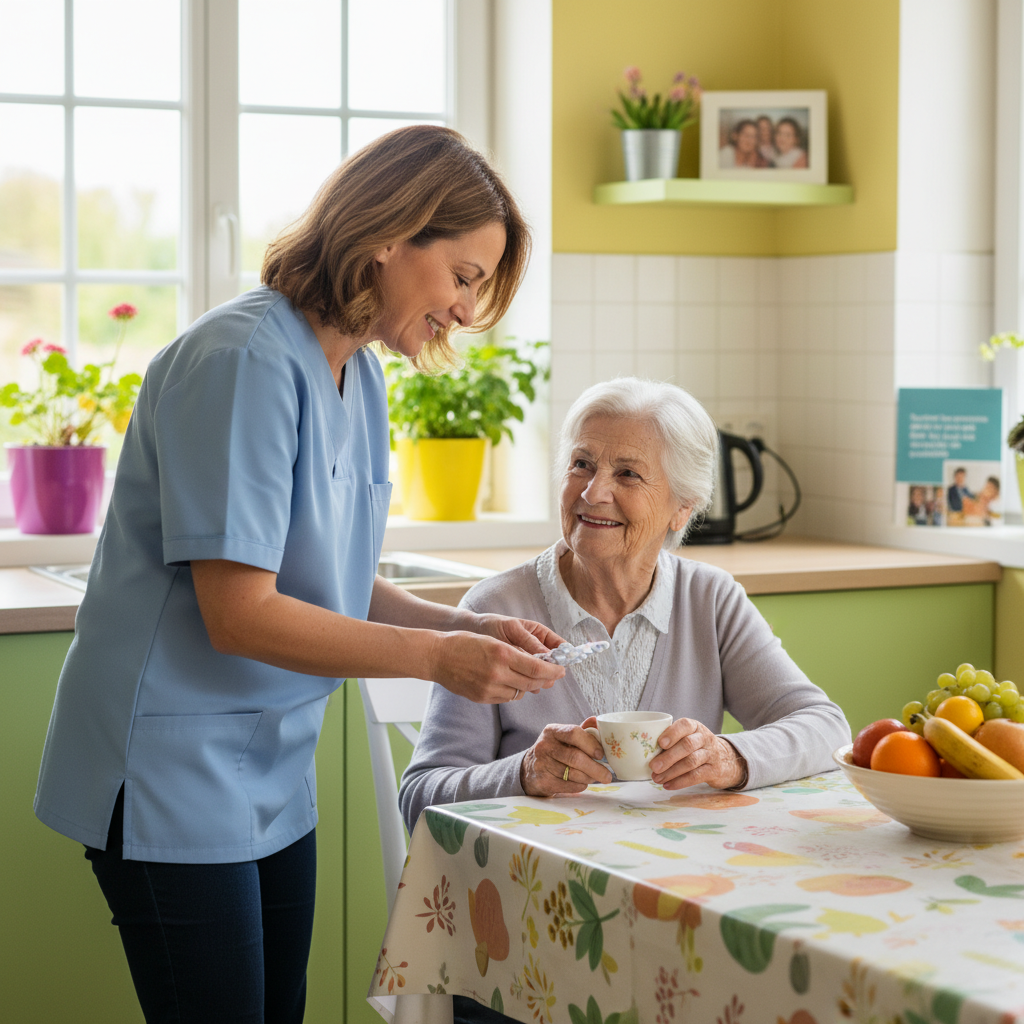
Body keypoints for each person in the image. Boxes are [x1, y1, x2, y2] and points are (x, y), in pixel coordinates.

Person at [32, 126, 567, 1024]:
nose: (467, 312)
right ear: (393, 233)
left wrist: (467, 628)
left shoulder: (358, 373)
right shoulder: (242, 361)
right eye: (465, 277)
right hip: (170, 769)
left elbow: (333, 578)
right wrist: (436, 662)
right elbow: (239, 614)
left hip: (272, 770)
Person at [400, 379, 850, 1023]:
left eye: (628, 473)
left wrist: (728, 756)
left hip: (674, 931)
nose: (593, 491)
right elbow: (419, 794)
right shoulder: (495, 609)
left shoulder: (710, 600)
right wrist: (522, 774)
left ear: (680, 509)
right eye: (581, 463)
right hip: (521, 948)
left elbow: (824, 725)